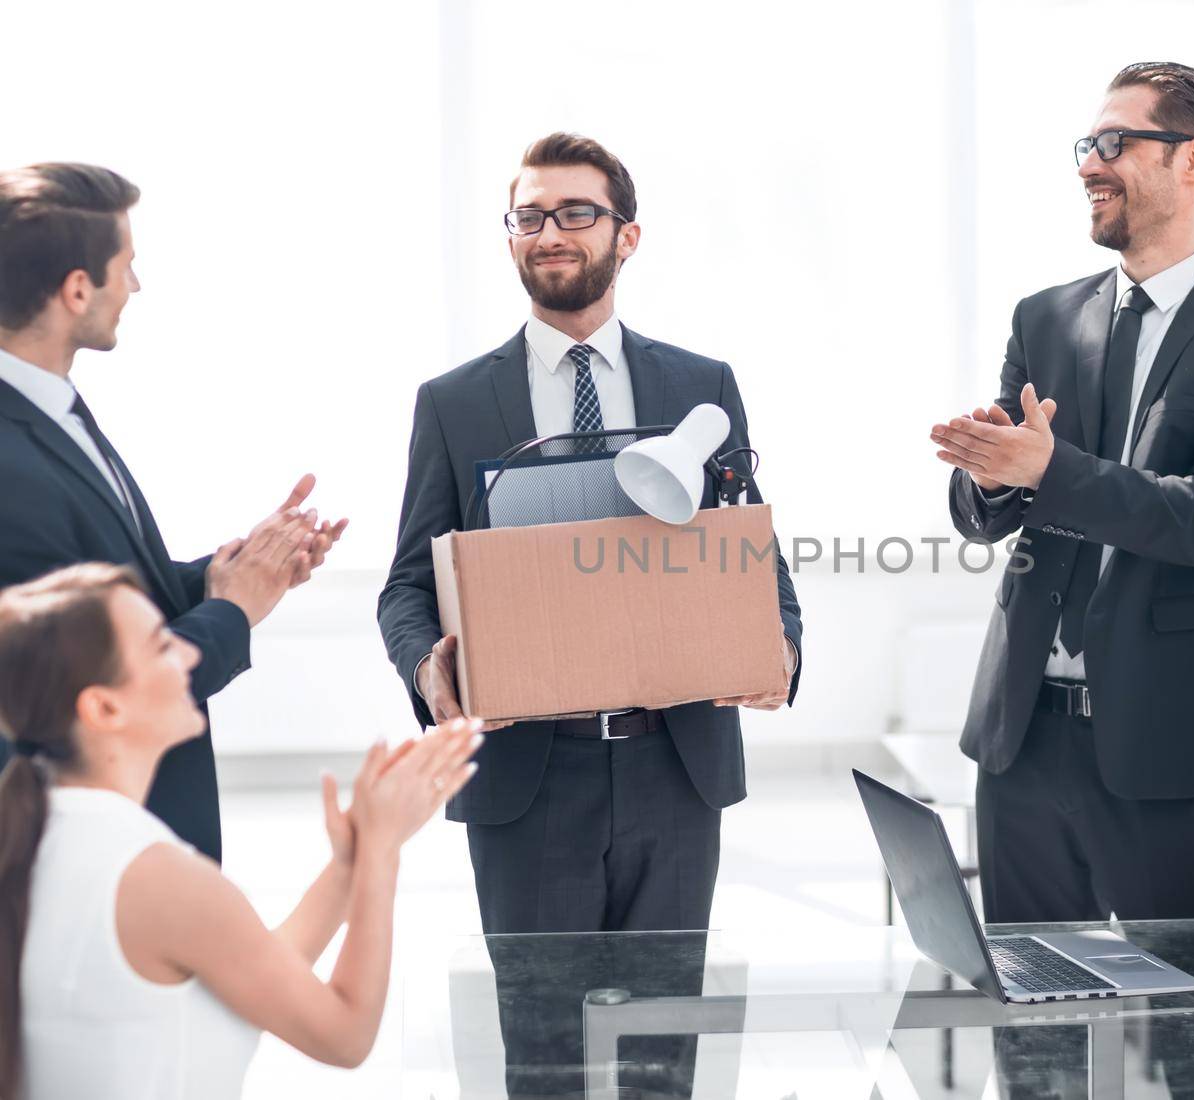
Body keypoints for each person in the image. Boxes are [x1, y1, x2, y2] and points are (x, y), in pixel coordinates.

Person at [930, 62, 1194, 930]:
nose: (1088, 165)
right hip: (1021, 739)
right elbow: (991, 508)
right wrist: (987, 475)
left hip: (1173, 745)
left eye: (1115, 143)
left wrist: (1047, 470)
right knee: (1034, 1028)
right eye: (1087, 144)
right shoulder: (1043, 317)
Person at [378, 132, 802, 938]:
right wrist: (430, 671)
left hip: (675, 768)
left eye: (576, 212)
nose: (549, 233)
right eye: (528, 217)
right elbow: (407, 582)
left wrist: (782, 643)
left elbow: (749, 548)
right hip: (525, 777)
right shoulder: (453, 402)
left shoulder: (700, 385)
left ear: (626, 236)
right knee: (541, 1046)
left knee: (664, 1043)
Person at [0, 562, 480, 1099]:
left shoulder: (40, 834)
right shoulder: (154, 874)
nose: (189, 653)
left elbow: (248, 966)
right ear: (103, 707)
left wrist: (353, 859)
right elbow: (345, 1034)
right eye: (162, 646)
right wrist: (382, 851)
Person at [0, 162, 347, 862]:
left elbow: (99, 594)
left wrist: (239, 571)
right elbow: (93, 693)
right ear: (76, 289)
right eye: (126, 267)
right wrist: (233, 610)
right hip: (96, 855)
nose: (135, 286)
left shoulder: (51, 406)